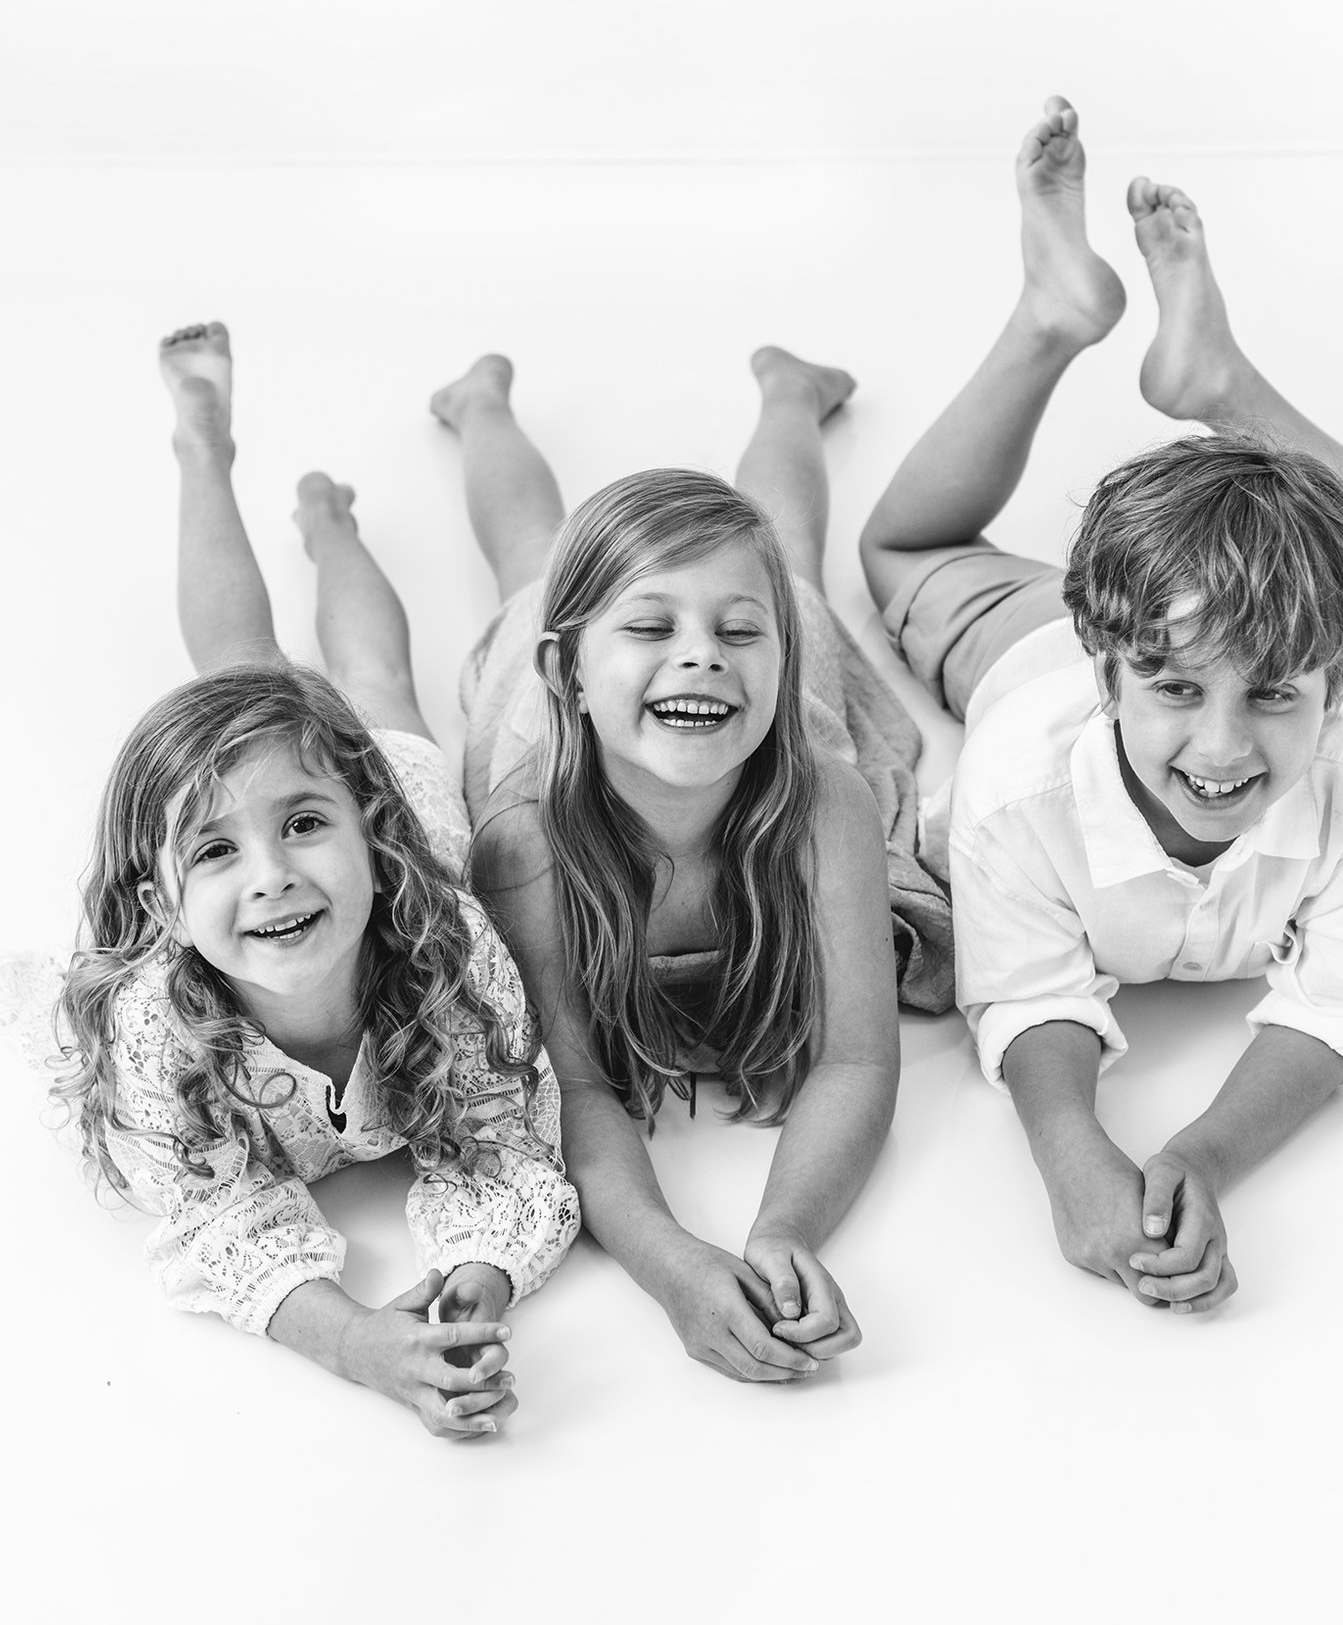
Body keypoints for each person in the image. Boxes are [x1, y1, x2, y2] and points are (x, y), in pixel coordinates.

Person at [861, 98, 1343, 1314]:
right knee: (899, 546)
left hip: (1259, 615)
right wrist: (1068, 1147)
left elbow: (1342, 999)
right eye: (1175, 693)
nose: (1224, 746)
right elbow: (1025, 987)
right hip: (1034, 638)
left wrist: (1202, 1152)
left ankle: (1218, 381)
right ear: (1107, 666)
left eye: (1277, 698)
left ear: (1338, 679)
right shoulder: (1021, 768)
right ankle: (1052, 316)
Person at [47, 323, 579, 1439]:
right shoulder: (162, 1023)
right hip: (274, 824)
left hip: (403, 797)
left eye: (303, 826)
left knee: (376, 681)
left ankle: (331, 526)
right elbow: (220, 1217)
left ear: (371, 837)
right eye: (215, 853)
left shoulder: (451, 944)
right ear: (160, 907)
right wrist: (354, 1338)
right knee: (239, 658)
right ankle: (203, 444)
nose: (274, 877)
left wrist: (472, 1290)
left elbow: (504, 1134)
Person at [439, 347, 946, 1382]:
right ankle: (482, 403)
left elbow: (857, 1058)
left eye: (735, 633)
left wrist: (783, 1227)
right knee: (531, 562)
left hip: (774, 721)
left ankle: (790, 395)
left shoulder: (822, 808)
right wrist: (669, 1263)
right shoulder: (526, 844)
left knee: (785, 556)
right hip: (536, 731)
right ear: (568, 674)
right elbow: (577, 1089)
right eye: (651, 626)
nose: (703, 653)